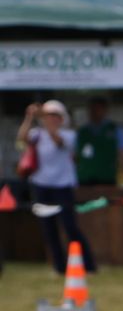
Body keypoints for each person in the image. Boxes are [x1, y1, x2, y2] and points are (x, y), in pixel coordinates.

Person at [16, 99, 97, 274]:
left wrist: (45, 119)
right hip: (41, 185)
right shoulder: (37, 134)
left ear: (61, 118)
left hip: (63, 186)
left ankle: (88, 265)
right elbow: (22, 138)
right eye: (48, 115)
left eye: (54, 115)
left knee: (70, 227)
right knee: (49, 228)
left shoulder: (69, 135)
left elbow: (58, 142)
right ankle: (59, 267)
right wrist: (30, 117)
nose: (50, 119)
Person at [75, 97, 123, 187]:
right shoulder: (82, 131)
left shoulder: (115, 129)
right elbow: (75, 156)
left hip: (107, 178)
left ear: (105, 110)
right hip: (84, 178)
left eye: (97, 109)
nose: (93, 112)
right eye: (91, 109)